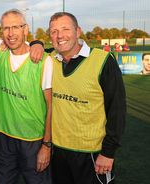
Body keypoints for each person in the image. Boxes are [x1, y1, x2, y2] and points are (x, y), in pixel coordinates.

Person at [48, 12, 126, 184]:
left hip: (93, 154)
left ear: (78, 31)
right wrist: (37, 44)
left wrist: (108, 153)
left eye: (65, 29)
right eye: (53, 31)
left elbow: (117, 111)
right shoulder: (49, 58)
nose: (59, 35)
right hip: (58, 153)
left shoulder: (103, 60)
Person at [0, 9, 52, 184]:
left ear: (25, 29)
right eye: (6, 28)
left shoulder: (44, 61)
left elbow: (51, 106)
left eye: (15, 27)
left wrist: (46, 146)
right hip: (5, 138)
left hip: (33, 141)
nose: (10, 33)